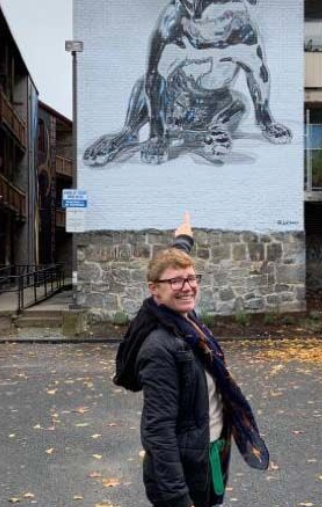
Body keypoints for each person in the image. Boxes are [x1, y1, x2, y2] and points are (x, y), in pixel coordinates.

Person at [114, 212, 269, 507]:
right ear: (154, 290)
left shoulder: (185, 324)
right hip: (184, 479)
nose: (187, 286)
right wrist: (178, 499)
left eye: (191, 278)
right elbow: (158, 433)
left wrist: (183, 240)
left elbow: (177, 264)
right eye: (175, 281)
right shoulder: (160, 347)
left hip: (209, 458)